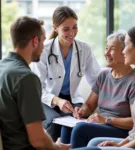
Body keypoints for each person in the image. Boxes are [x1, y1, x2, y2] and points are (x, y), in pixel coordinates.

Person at [31, 6, 100, 141]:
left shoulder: (84, 49)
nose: (72, 33)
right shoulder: (44, 50)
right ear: (55, 28)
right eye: (66, 29)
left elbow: (97, 82)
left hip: (73, 100)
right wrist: (57, 100)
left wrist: (86, 107)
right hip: (45, 100)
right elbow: (37, 88)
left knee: (79, 123)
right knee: (54, 124)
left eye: (74, 27)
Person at [61, 31, 135, 148]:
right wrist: (82, 111)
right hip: (102, 124)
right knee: (66, 128)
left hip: (121, 130)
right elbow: (90, 105)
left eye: (111, 49)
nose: (106, 53)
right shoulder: (104, 75)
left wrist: (107, 120)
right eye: (106, 48)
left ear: (124, 52)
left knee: (81, 129)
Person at [87, 23, 135, 150]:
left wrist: (121, 148)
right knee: (94, 144)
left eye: (126, 45)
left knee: (92, 147)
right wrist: (119, 144)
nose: (123, 51)